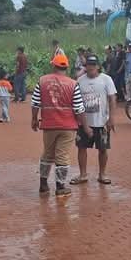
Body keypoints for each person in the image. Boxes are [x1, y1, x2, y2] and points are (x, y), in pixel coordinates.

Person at [31, 53, 87, 198]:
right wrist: (84, 126)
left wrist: (34, 119)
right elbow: (79, 108)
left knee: (47, 154)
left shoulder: (42, 81)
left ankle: (43, 185)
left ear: (53, 65)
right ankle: (60, 187)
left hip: (49, 124)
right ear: (67, 67)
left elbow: (35, 102)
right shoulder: (73, 84)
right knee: (62, 155)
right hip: (68, 126)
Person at [72, 55, 116, 185]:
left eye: (93, 64)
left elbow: (112, 99)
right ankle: (83, 174)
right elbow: (75, 101)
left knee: (103, 149)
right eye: (88, 65)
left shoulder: (106, 79)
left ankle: (102, 174)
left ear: (98, 66)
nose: (91, 67)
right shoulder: (80, 81)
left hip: (101, 122)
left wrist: (111, 118)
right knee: (81, 148)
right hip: (84, 122)